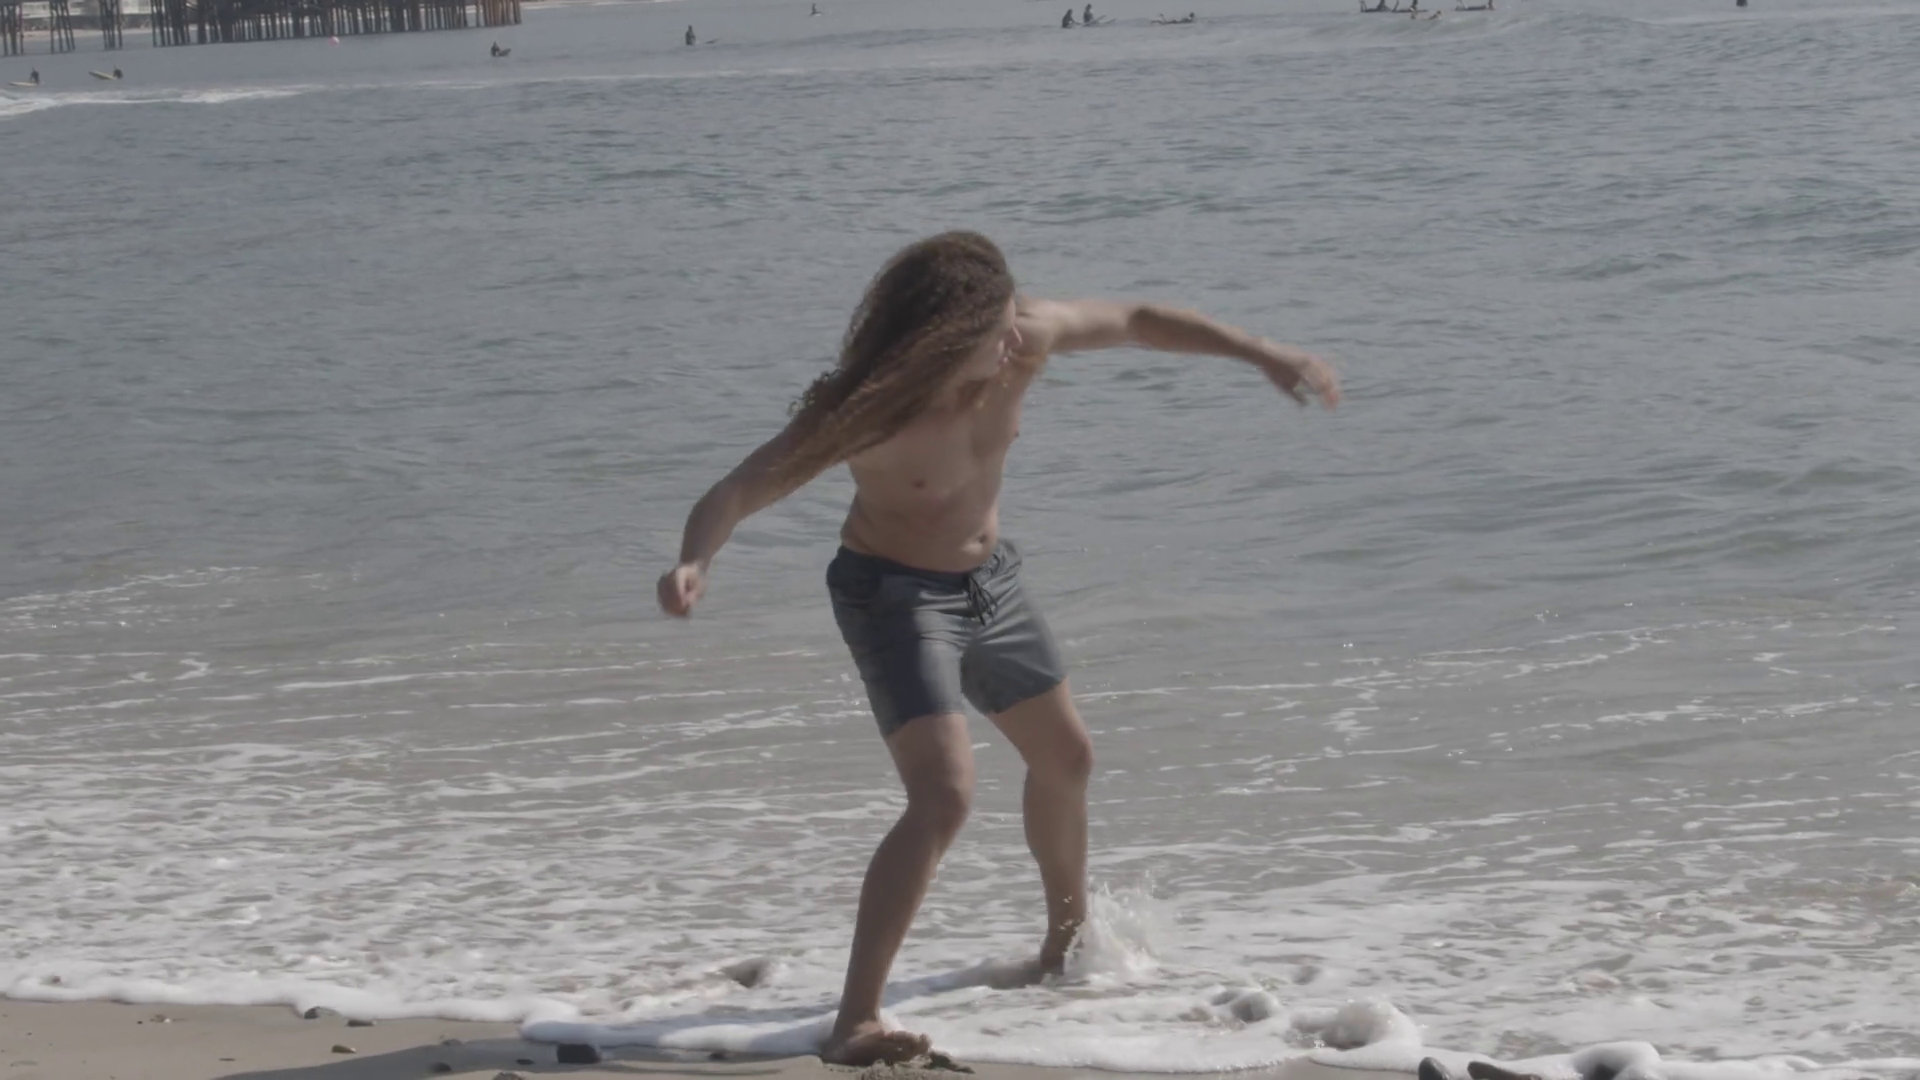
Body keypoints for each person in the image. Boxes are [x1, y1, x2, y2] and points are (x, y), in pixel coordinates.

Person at [657, 231, 1340, 1066]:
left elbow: (1137, 318)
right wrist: (695, 561)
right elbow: (738, 489)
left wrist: (1262, 351)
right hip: (894, 597)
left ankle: (1064, 950)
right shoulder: (867, 413)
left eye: (1013, 321)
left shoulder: (1024, 341)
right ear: (946, 341)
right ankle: (854, 1022)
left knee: (1068, 758)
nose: (1015, 339)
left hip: (992, 584)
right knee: (943, 795)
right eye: (995, 331)